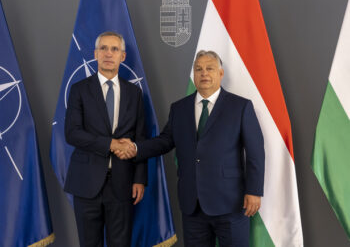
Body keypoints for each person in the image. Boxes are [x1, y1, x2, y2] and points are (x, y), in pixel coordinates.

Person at [116, 50, 265, 247]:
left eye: (209, 69)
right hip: (192, 204)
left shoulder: (240, 107)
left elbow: (256, 153)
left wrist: (254, 191)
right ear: (193, 75)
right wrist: (135, 148)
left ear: (220, 74)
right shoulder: (179, 108)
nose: (204, 73)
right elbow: (165, 141)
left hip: (230, 202)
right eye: (198, 69)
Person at [64, 31, 147, 247]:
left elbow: (141, 137)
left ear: (123, 56)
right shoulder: (79, 90)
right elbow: (72, 133)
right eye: (104, 49)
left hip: (123, 182)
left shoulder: (135, 93)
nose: (108, 53)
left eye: (114, 49)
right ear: (95, 54)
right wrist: (110, 144)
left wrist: (139, 178)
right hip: (86, 182)